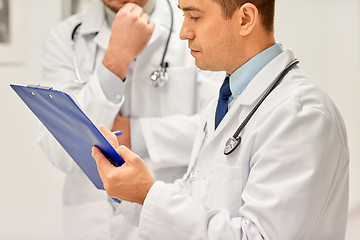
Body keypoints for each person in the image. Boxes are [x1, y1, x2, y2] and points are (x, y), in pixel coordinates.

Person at [92, 0, 350, 239]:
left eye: (195, 16)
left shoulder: (300, 115)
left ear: (245, 19)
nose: (184, 32)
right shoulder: (229, 98)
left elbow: (258, 236)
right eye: (183, 15)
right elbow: (198, 192)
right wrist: (129, 193)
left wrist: (148, 194)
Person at [38, 0, 223, 239]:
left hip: (171, 220)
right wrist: (115, 60)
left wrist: (136, 133)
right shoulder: (65, 39)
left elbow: (220, 134)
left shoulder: (194, 29)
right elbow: (59, 149)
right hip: (91, 224)